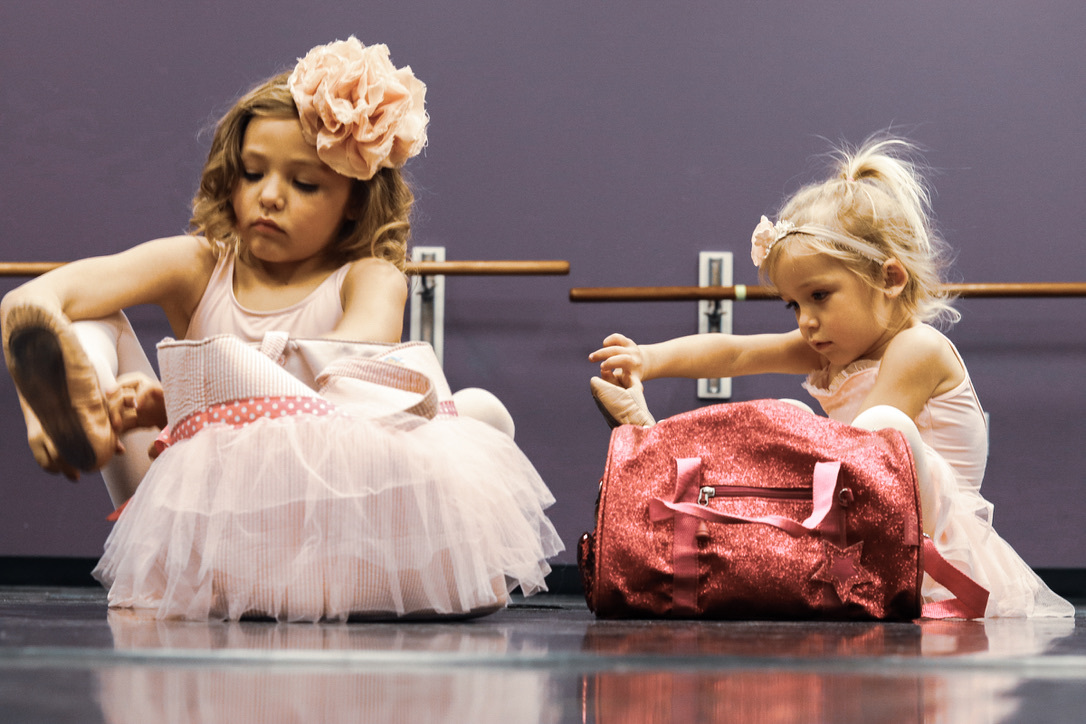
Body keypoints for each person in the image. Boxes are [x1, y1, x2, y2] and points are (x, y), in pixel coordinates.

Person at [1, 37, 561, 621]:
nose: (268, 196)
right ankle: (85, 407)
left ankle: (429, 567)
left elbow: (333, 391)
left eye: (304, 183)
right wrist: (46, 399)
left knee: (480, 412)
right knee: (84, 316)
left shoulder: (370, 278)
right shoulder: (199, 263)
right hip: (201, 530)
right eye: (251, 173)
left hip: (330, 533)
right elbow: (30, 299)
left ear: (354, 199)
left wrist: (176, 404)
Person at [589, 135, 1073, 618]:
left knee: (876, 425)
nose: (805, 320)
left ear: (889, 279)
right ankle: (665, 450)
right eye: (793, 305)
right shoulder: (832, 348)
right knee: (785, 415)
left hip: (925, 536)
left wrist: (787, 438)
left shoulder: (918, 349)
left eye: (819, 296)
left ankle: (660, 445)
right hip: (858, 522)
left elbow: (863, 460)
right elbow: (735, 354)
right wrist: (648, 358)